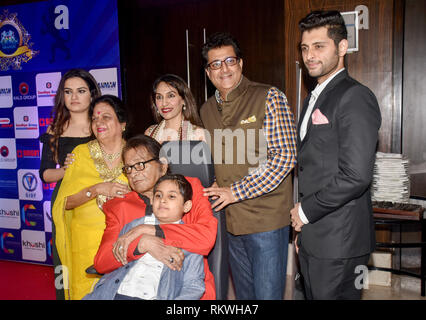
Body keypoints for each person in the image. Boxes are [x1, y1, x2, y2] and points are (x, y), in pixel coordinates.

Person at [289, 10, 381, 300]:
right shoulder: (313, 97)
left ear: (342, 48)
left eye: (319, 46)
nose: (309, 55)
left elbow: (356, 175)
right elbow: (312, 168)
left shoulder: (355, 96)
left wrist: (304, 212)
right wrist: (303, 231)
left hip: (340, 241)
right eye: (305, 48)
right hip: (316, 235)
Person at [200, 32, 298, 300]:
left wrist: (234, 192)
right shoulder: (206, 110)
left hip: (265, 219)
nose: (224, 69)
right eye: (215, 64)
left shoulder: (269, 97)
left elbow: (285, 157)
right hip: (228, 222)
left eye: (230, 60)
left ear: (241, 63)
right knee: (245, 296)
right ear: (208, 73)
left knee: (267, 295)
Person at [92, 134, 217, 300]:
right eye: (128, 168)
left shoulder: (188, 189)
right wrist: (141, 244)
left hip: (182, 289)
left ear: (163, 166)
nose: (133, 173)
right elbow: (102, 261)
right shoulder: (120, 206)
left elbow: (206, 237)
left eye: (140, 165)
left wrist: (150, 230)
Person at [52, 94, 130, 300]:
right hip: (85, 242)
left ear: (122, 124)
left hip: (125, 242)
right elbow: (65, 203)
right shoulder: (80, 154)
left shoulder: (135, 154)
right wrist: (96, 189)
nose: (99, 123)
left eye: (106, 117)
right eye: (95, 119)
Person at [84, 174, 205, 300]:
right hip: (114, 292)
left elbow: (194, 285)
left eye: (171, 196)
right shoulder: (134, 226)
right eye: (158, 195)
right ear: (152, 199)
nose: (163, 200)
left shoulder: (190, 238)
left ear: (186, 206)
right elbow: (115, 255)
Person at [39, 68, 101, 300]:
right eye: (68, 91)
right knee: (64, 259)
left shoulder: (101, 126)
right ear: (62, 96)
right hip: (64, 204)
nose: (74, 97)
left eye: (81, 91)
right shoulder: (55, 129)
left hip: (98, 204)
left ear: (92, 95)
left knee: (96, 259)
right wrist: (66, 171)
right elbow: (44, 174)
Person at [145, 74, 206, 142]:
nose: (164, 103)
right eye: (159, 97)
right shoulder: (150, 133)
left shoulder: (197, 134)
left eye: (171, 96)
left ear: (184, 100)